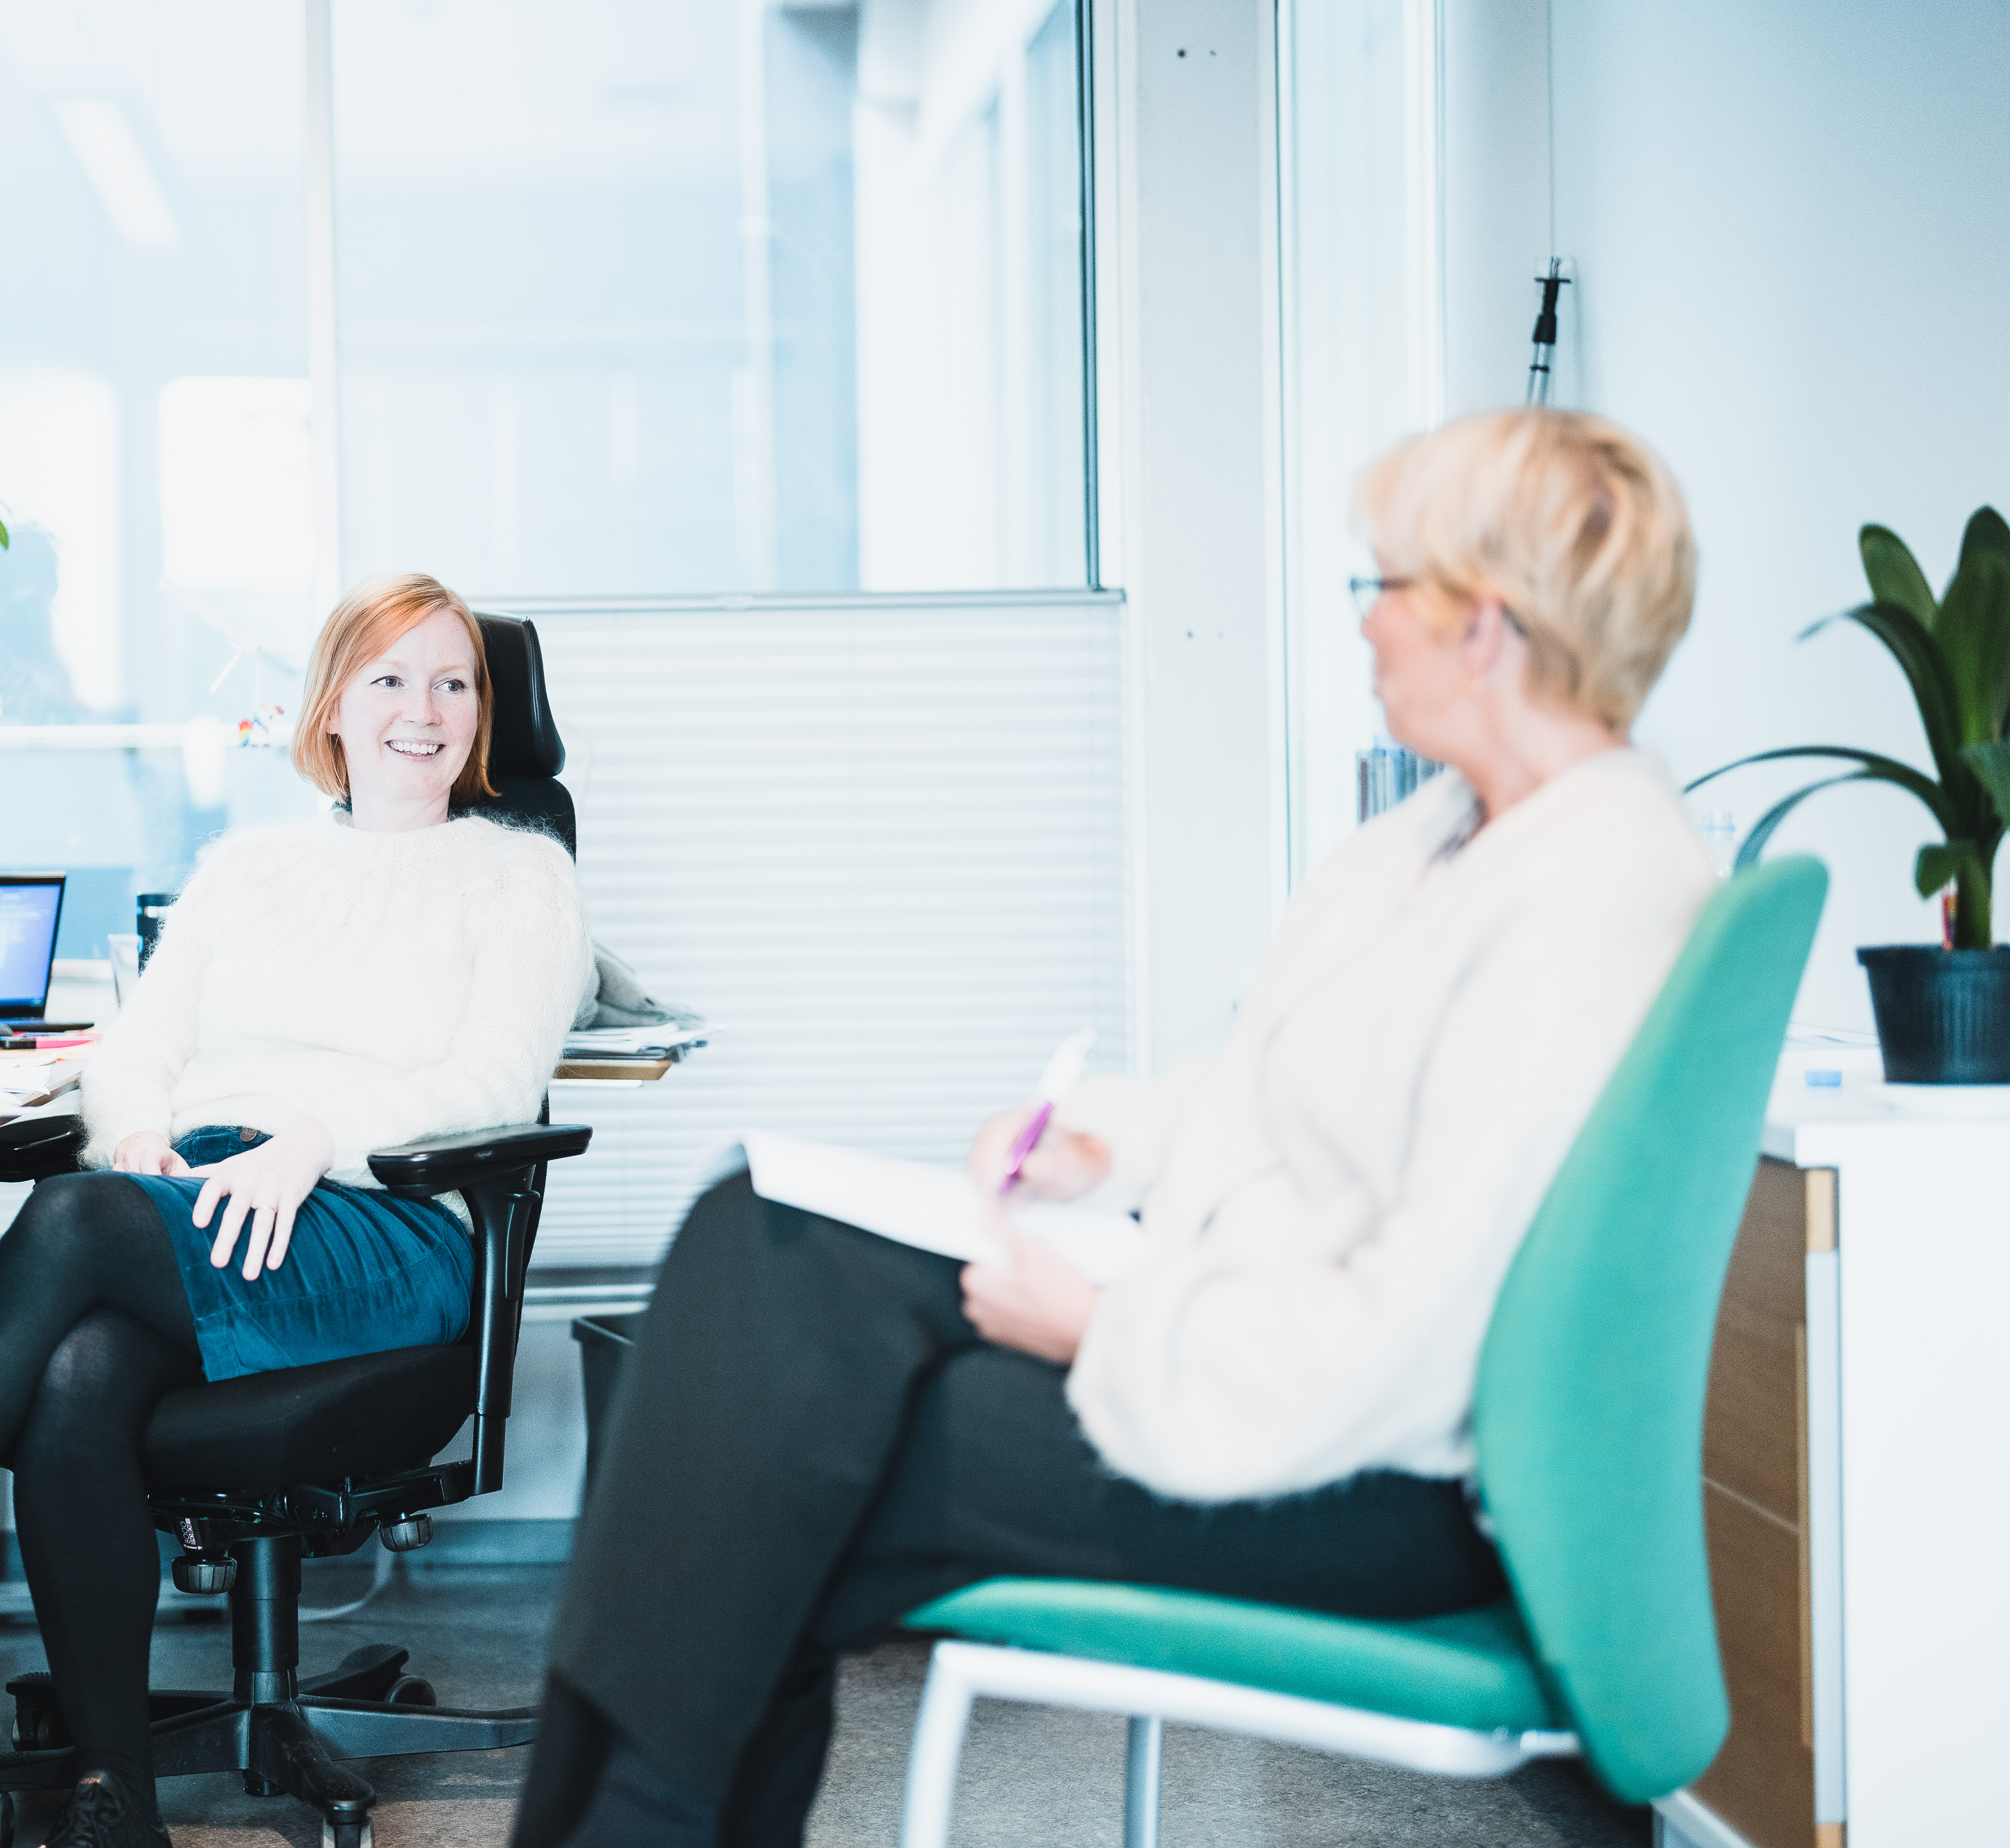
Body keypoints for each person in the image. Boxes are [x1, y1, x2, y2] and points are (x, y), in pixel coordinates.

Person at [512, 408, 1713, 1847]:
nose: (1363, 624)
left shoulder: (1588, 892)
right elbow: (1274, 1096)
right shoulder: (1441, 837)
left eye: (1383, 586)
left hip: (1349, 1465)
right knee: (752, 1240)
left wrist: (1092, 1323)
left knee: (770, 1434)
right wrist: (1102, 1140)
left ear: (1486, 628)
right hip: (1251, 1372)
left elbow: (1419, 1320)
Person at [0, 573, 592, 1848]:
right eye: (389, 679)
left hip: (388, 1217)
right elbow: (133, 1050)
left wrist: (314, 1142)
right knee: (81, 1370)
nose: (422, 710)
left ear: (486, 717)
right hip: (209, 1198)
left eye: (454, 682)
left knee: (83, 1222)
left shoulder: (519, 880)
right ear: (330, 708)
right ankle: (118, 1800)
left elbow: (485, 1086)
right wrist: (143, 1132)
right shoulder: (248, 868)